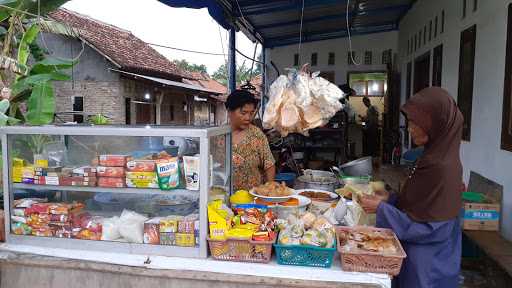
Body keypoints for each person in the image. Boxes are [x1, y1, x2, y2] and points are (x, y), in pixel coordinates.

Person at [359, 87, 463, 288]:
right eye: (410, 122)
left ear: (438, 124)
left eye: (417, 123)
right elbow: (418, 203)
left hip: (429, 267)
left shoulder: (443, 168)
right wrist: (389, 199)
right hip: (415, 259)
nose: (410, 128)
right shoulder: (430, 157)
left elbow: (432, 229)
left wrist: (382, 210)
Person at [226, 90, 276, 191]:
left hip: (252, 200)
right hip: (223, 199)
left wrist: (269, 190)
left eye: (251, 113)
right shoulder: (218, 135)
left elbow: (269, 165)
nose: (248, 118)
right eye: (243, 113)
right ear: (229, 111)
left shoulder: (257, 135)